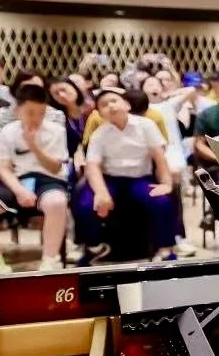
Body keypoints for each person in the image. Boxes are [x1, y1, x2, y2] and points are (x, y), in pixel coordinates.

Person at [0, 84, 71, 274]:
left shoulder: (56, 131)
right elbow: (4, 169)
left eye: (41, 113)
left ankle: (50, 261)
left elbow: (55, 167)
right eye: (30, 112)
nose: (36, 118)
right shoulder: (7, 132)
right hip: (15, 181)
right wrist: (20, 191)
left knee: (57, 202)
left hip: (48, 180)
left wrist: (34, 145)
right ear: (17, 110)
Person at [78, 87, 182, 262]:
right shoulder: (99, 134)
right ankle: (94, 248)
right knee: (85, 205)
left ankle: (165, 250)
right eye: (104, 105)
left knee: (162, 203)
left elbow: (159, 157)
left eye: (114, 101)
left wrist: (166, 183)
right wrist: (101, 192)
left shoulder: (146, 125)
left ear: (126, 104)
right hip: (110, 179)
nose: (110, 106)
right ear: (99, 113)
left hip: (139, 179)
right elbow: (93, 166)